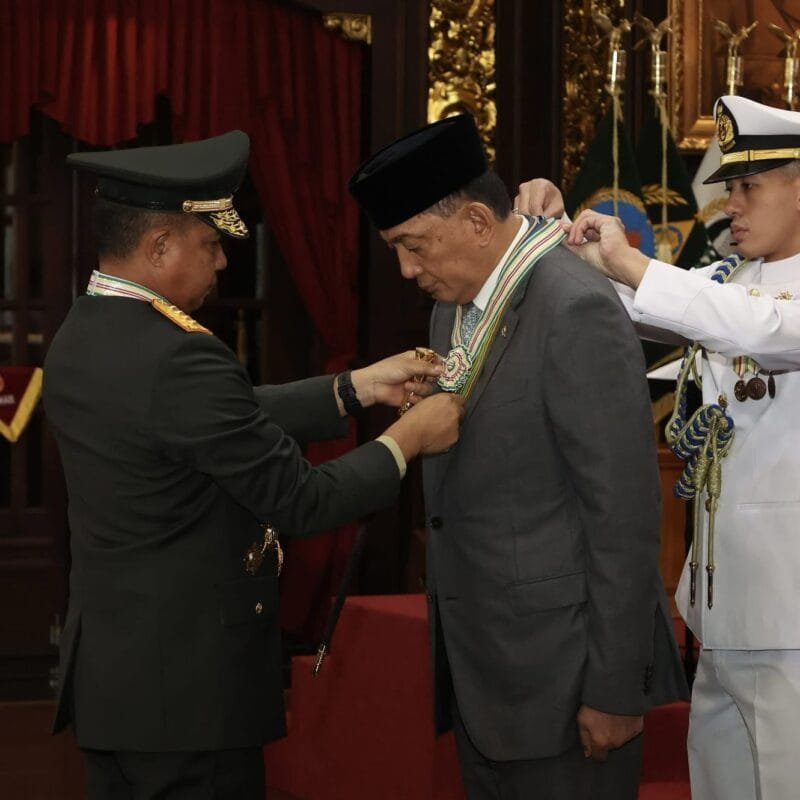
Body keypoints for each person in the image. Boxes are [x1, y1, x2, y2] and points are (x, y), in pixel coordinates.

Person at [42, 130, 464, 799]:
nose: (221, 263)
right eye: (210, 244)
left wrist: (353, 388)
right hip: (189, 701)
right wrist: (407, 438)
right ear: (160, 246)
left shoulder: (86, 330)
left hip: (120, 688)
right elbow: (305, 501)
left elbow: (203, 421)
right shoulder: (181, 355)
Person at [348, 113, 687, 800]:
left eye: (414, 246)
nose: (407, 270)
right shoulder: (454, 305)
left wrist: (615, 687)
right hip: (487, 675)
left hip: (564, 679)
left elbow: (622, 516)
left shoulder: (574, 307)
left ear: (477, 221)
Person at [519, 94, 800, 800]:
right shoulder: (730, 279)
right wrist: (563, 241)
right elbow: (627, 309)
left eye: (749, 186)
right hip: (720, 607)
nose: (731, 205)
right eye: (730, 187)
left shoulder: (739, 301)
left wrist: (631, 263)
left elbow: (757, 329)